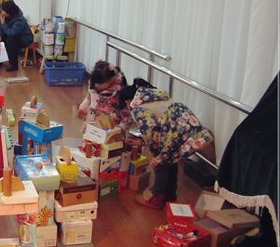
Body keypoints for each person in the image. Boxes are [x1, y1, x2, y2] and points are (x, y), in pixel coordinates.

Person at [120, 78, 215, 210]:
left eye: (126, 110)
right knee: (171, 159)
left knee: (160, 163)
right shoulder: (153, 96)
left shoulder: (138, 108)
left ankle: (156, 197)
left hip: (176, 131)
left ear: (127, 102)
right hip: (188, 128)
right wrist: (143, 143)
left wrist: (154, 155)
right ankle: (170, 192)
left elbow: (150, 133)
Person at [76, 60, 133, 139]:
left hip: (111, 130)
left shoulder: (121, 89)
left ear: (111, 79)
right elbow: (89, 97)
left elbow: (129, 114)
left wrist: (120, 127)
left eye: (100, 84)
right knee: (89, 144)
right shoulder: (93, 83)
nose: (97, 86)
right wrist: (83, 108)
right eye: (95, 83)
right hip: (91, 124)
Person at [0, 0, 34, 71]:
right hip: (12, 35)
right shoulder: (4, 16)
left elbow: (12, 33)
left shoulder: (20, 20)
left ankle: (13, 64)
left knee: (11, 41)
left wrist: (3, 23)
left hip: (24, 38)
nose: (2, 12)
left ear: (9, 12)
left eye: (4, 11)